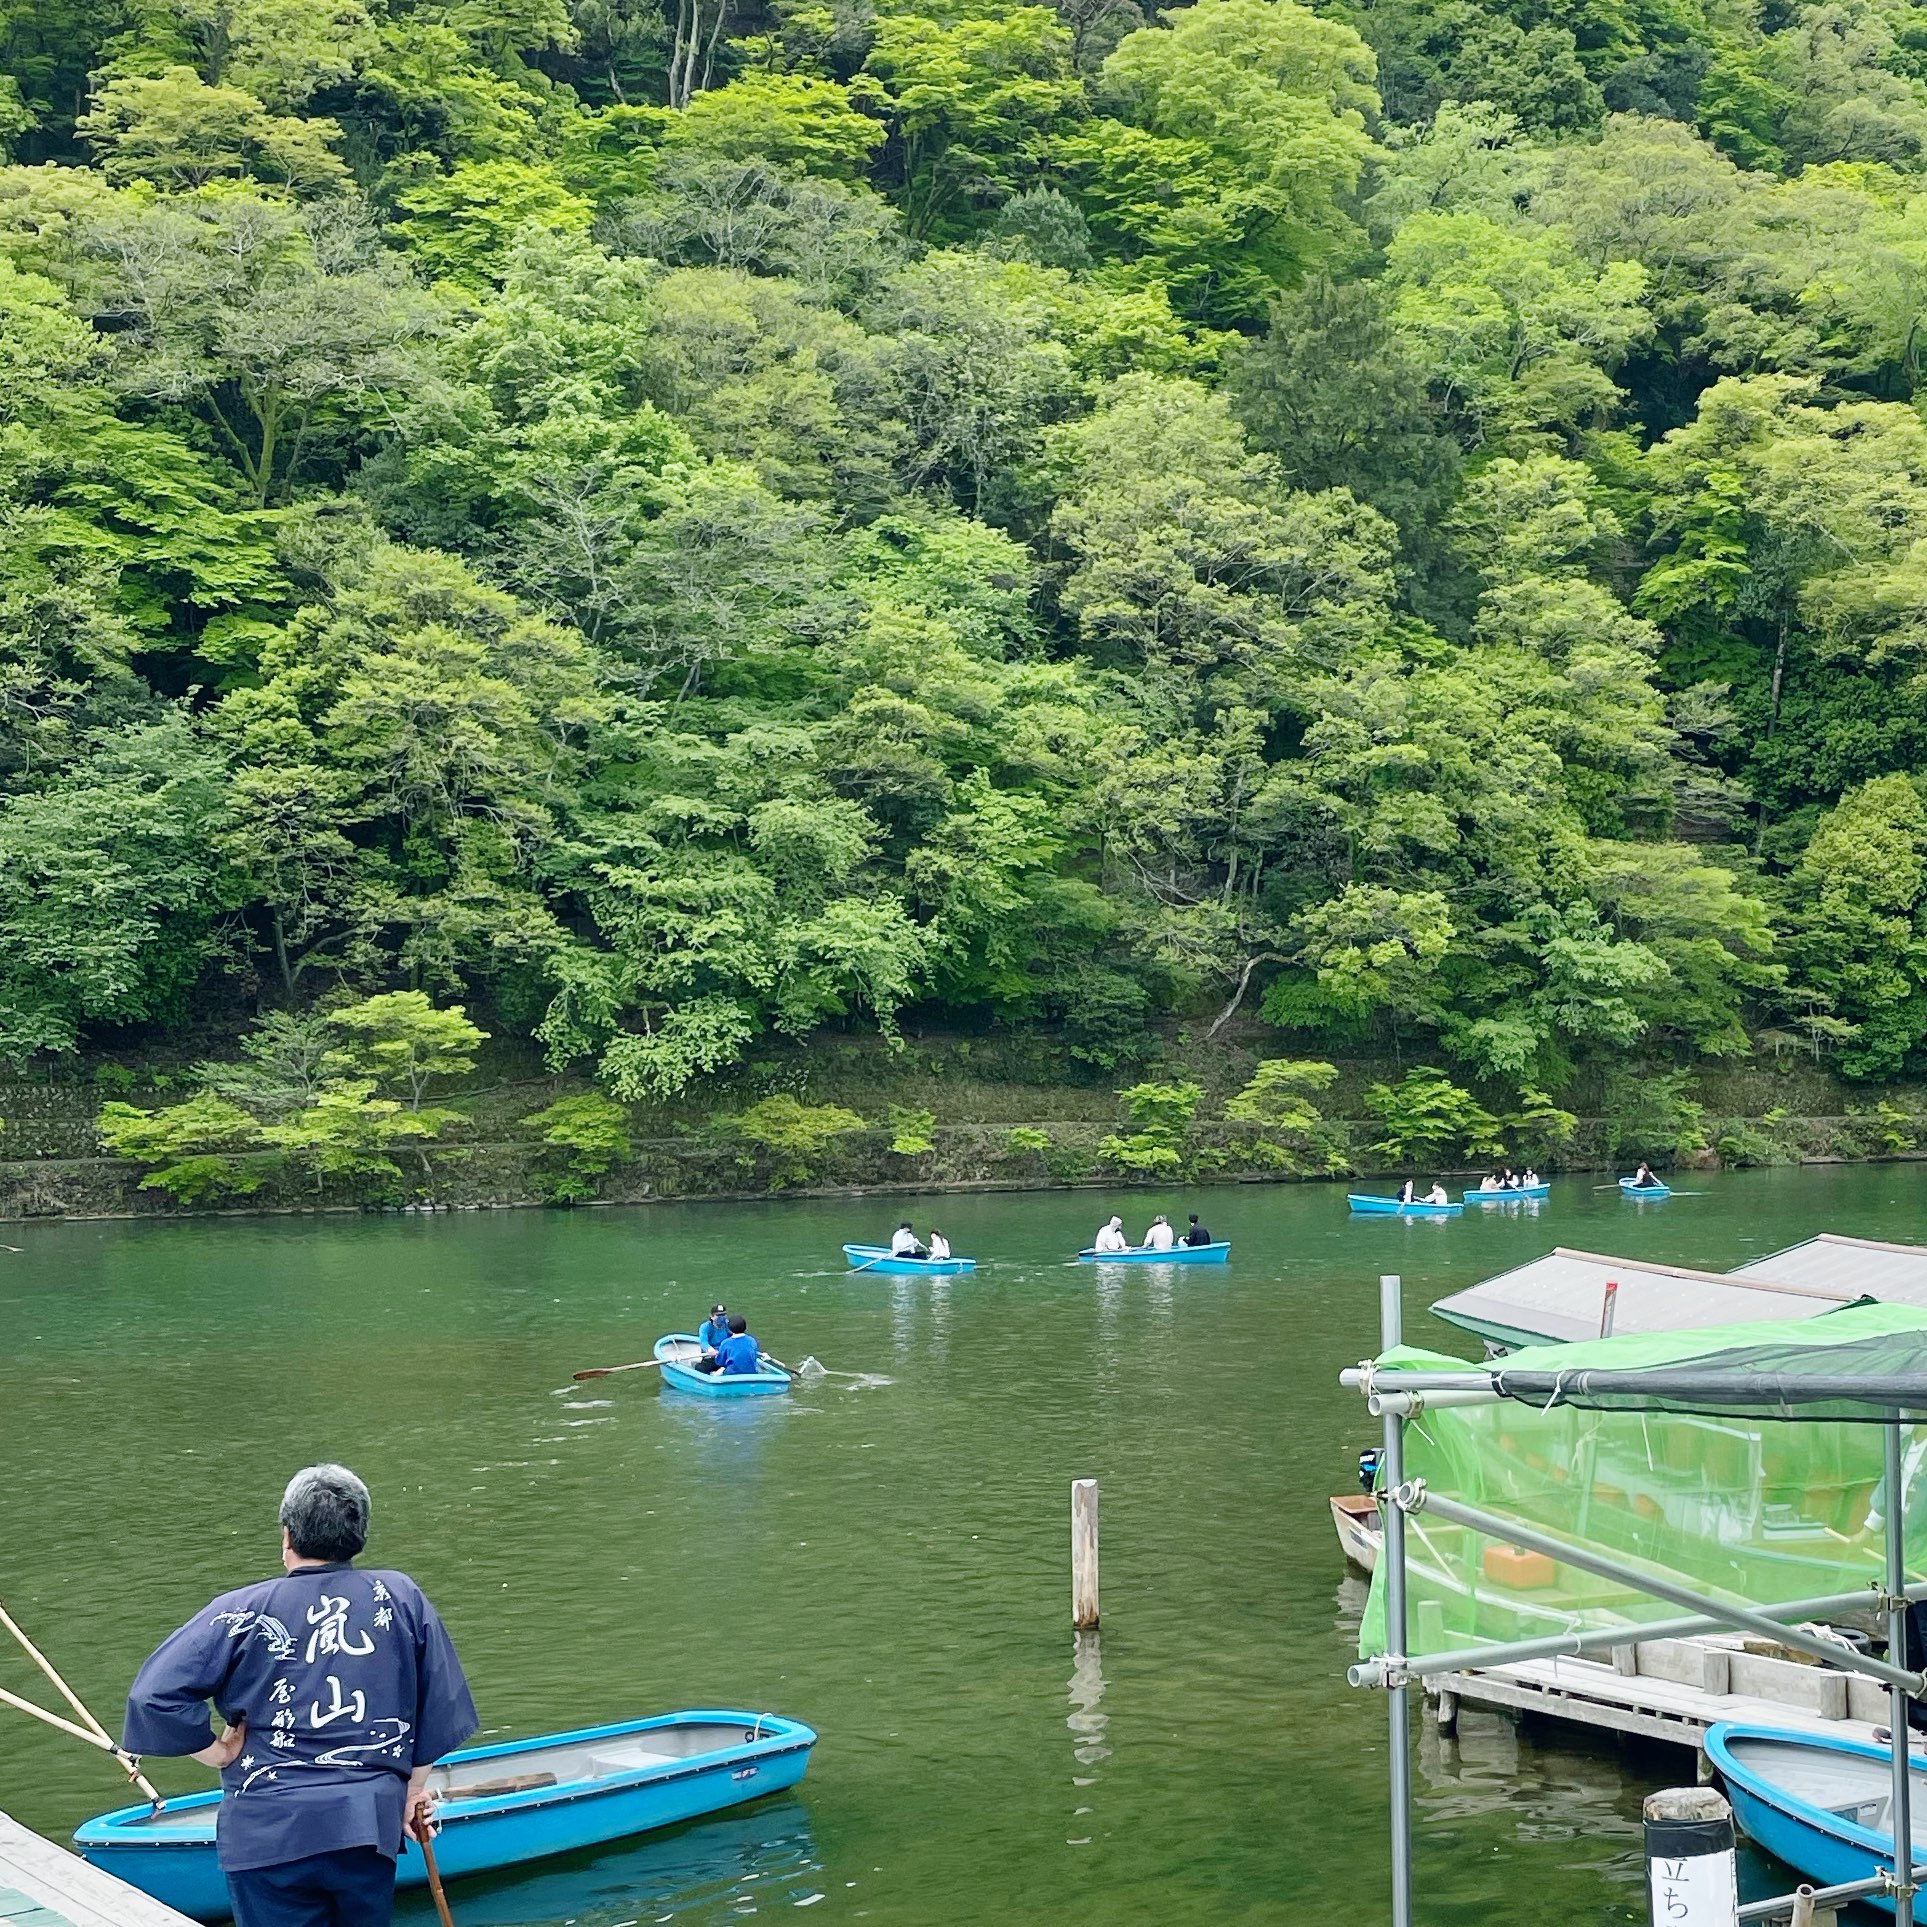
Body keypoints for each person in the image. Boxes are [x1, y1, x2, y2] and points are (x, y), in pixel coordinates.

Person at [121, 1464, 477, 1927]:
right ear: (359, 1534)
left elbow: (154, 1696)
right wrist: (411, 1792)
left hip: (265, 1828)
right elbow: (440, 1701)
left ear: (287, 1537)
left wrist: (217, 1753)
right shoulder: (400, 1596)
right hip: (364, 1826)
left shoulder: (241, 1610)